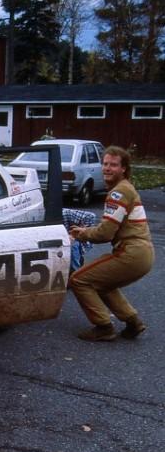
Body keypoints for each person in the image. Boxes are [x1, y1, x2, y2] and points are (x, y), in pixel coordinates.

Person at [68, 145, 154, 341]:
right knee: (102, 284)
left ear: (123, 168)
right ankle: (133, 322)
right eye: (105, 164)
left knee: (79, 280)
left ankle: (103, 326)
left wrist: (82, 235)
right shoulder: (126, 189)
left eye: (113, 165)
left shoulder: (118, 193)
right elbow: (112, 225)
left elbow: (106, 233)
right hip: (142, 253)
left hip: (131, 253)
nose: (107, 168)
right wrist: (87, 231)